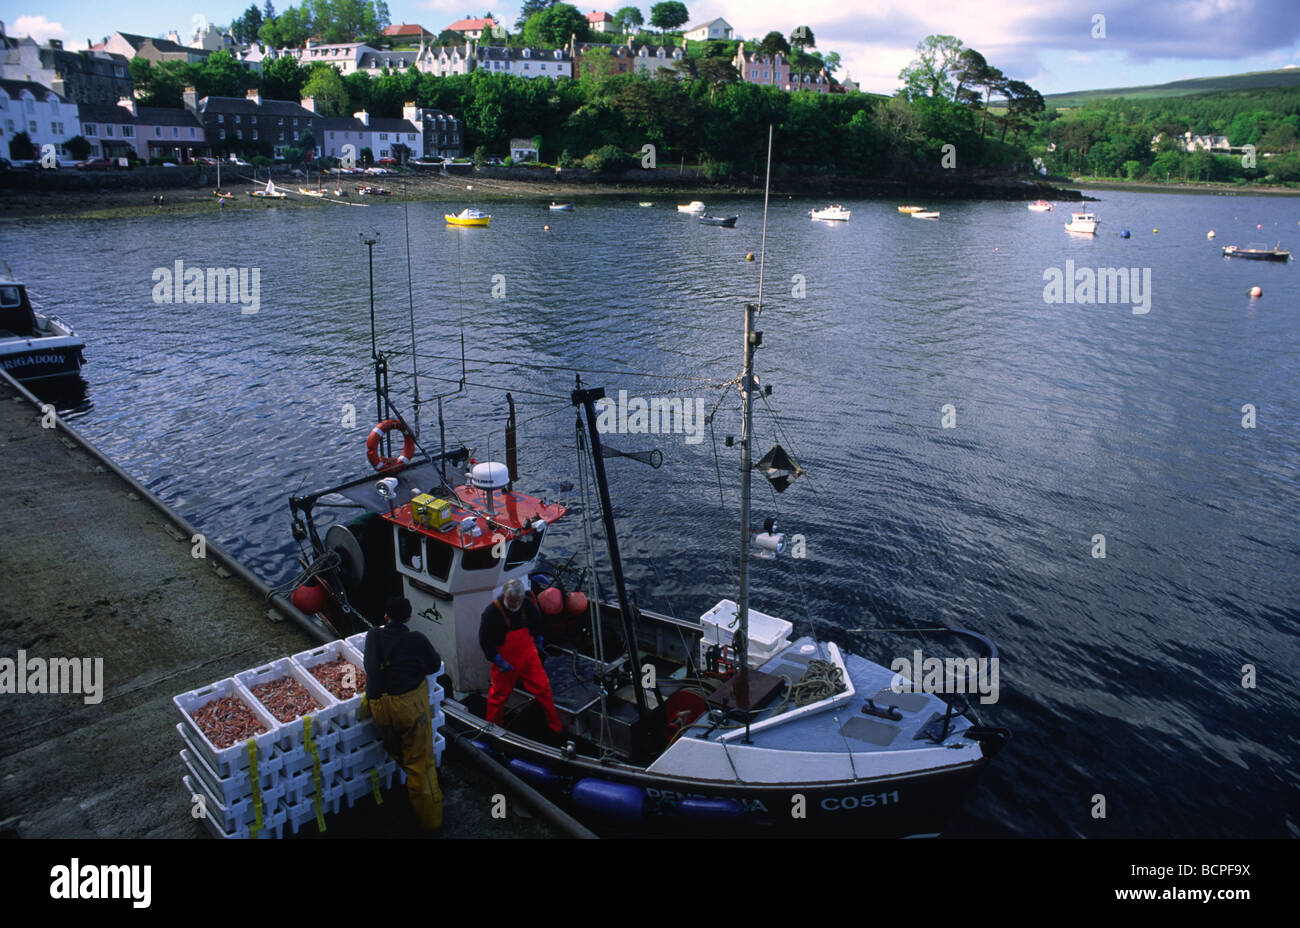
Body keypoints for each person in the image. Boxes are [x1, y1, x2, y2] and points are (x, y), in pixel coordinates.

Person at [364, 595, 444, 831]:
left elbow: (370, 667)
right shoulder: (416, 639)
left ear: (386, 617)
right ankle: (432, 823)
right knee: (421, 765)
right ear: (409, 616)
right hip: (407, 708)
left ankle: (407, 791)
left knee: (398, 750)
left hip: (378, 706)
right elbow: (433, 665)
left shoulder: (373, 635)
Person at [479, 578, 562, 737]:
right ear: (505, 596)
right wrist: (498, 661)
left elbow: (537, 624)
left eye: (518, 601)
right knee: (498, 696)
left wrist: (538, 641)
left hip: (528, 655)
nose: (515, 605)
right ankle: (492, 728)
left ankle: (555, 726)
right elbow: (485, 642)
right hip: (505, 660)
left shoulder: (526, 605)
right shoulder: (491, 613)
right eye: (512, 601)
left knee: (544, 689)